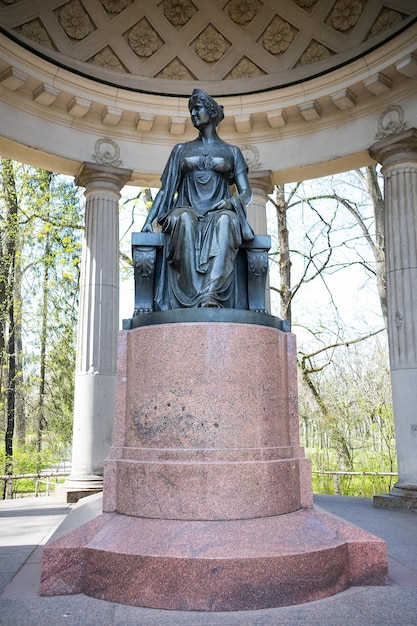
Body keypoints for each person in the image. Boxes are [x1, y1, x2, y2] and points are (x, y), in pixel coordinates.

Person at [142, 88, 254, 309]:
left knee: (227, 221)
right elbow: (166, 190)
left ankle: (210, 294)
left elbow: (246, 193)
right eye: (191, 110)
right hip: (186, 207)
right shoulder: (181, 149)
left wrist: (232, 203)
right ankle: (192, 295)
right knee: (183, 219)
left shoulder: (232, 152)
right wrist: (149, 220)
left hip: (219, 210)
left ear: (211, 112)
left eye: (198, 108)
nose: (193, 114)